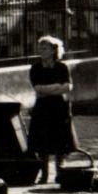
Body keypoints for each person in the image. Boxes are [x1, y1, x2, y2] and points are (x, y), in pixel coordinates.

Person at [27, 35, 78, 184]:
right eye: (40, 48)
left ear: (53, 50)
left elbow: (67, 87)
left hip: (59, 107)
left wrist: (48, 89)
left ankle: (60, 173)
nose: (41, 51)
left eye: (45, 48)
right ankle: (44, 174)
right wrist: (57, 87)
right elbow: (37, 88)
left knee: (60, 141)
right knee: (42, 141)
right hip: (42, 108)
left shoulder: (62, 67)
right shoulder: (35, 68)